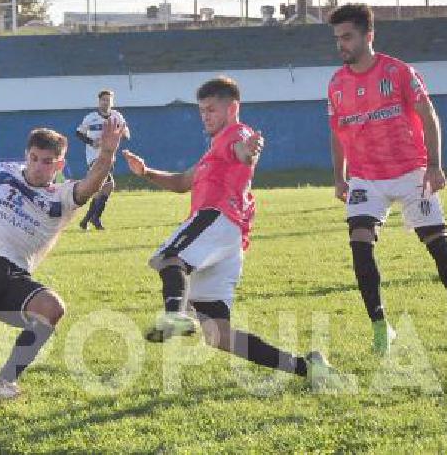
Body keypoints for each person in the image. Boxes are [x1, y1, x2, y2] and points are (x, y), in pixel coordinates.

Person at [123, 76, 339, 389]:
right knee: (218, 335)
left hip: (217, 218)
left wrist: (248, 150)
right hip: (229, 239)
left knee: (171, 258)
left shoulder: (236, 133)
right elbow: (184, 181)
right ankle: (308, 368)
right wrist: (146, 173)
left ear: (232, 108)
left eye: (211, 109)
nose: (205, 116)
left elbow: (244, 150)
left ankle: (174, 315)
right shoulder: (213, 151)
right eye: (202, 111)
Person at [326, 4, 447, 355]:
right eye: (338, 38)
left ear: (368, 36)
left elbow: (429, 116)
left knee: (437, 245)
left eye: (348, 37)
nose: (341, 44)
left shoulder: (398, 72)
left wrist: (434, 165)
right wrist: (340, 178)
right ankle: (381, 327)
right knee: (359, 243)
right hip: (366, 179)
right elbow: (337, 132)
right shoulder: (336, 83)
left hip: (411, 171)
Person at [0, 119, 126, 404]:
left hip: (16, 273)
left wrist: (107, 153)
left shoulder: (64, 196)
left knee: (51, 308)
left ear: (58, 166)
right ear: (26, 155)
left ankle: (6, 379)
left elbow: (92, 183)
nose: (37, 166)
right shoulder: (8, 175)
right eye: (33, 158)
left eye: (47, 162)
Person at [76, 89, 131, 230]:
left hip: (109, 156)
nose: (106, 102)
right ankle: (95, 218)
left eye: (108, 100)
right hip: (94, 157)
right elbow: (79, 133)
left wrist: (119, 135)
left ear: (112, 102)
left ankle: (87, 219)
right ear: (99, 101)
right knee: (109, 184)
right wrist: (91, 142)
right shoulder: (91, 117)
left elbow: (126, 134)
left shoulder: (117, 116)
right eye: (103, 100)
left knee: (99, 188)